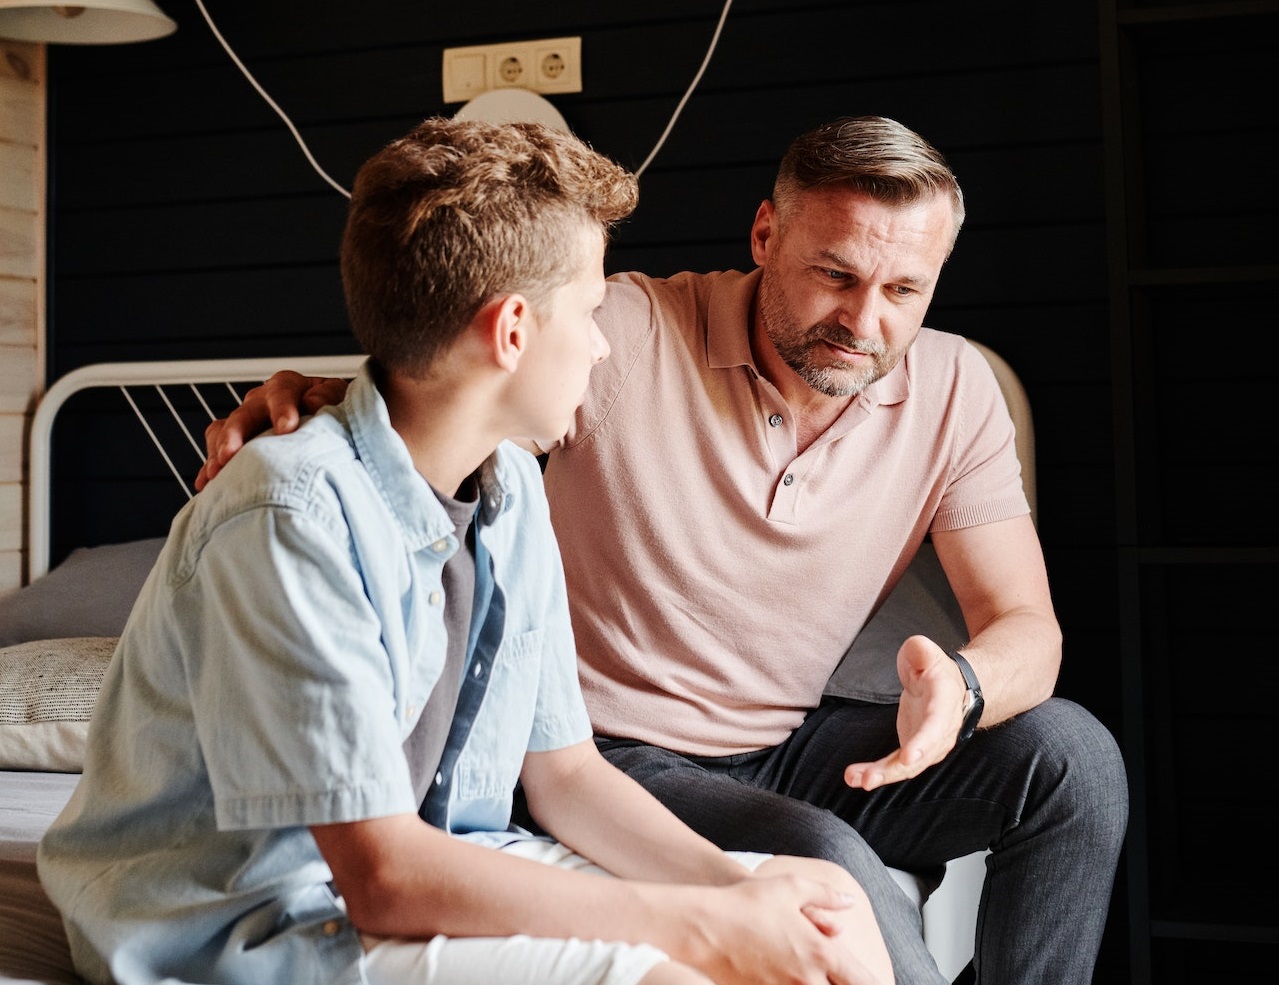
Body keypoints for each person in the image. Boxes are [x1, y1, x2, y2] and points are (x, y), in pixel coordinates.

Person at [196, 115, 1129, 984]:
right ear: (765, 235)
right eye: (835, 276)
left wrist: (964, 690)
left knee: (1072, 760)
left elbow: (1026, 629)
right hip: (610, 753)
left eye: (902, 291)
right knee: (829, 861)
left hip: (786, 738)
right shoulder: (621, 332)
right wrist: (328, 396)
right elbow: (465, 379)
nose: (864, 321)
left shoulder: (956, 388)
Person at [37, 117, 897, 985]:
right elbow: (380, 876)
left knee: (823, 898)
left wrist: (740, 893)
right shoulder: (288, 516)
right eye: (593, 312)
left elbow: (564, 777)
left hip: (453, 860)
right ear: (512, 331)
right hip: (262, 916)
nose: (601, 344)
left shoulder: (512, 487)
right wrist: (707, 926)